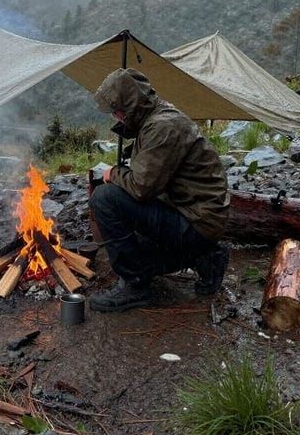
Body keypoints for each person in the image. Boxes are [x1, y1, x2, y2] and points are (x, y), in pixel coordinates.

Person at [87, 68, 229, 313]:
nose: (115, 116)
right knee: (135, 252)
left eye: (117, 110)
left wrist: (113, 173)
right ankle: (206, 256)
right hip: (195, 215)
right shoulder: (156, 118)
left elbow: (141, 188)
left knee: (104, 198)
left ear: (130, 105)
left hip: (197, 221)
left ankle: (134, 286)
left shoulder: (163, 127)